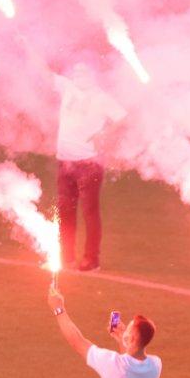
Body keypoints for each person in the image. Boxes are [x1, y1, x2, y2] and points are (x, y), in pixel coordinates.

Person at [52, 62, 127, 272]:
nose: (79, 76)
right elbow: (45, 73)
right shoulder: (67, 87)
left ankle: (91, 259)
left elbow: (121, 117)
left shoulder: (101, 97)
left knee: (89, 213)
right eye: (76, 72)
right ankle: (66, 257)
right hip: (64, 161)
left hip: (89, 164)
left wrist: (103, 134)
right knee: (66, 211)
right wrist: (27, 46)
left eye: (84, 72)